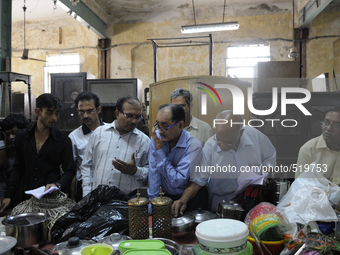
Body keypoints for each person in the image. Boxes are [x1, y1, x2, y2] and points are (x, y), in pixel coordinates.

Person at [172, 110, 276, 216]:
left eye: (228, 142)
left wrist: (263, 175)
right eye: (219, 140)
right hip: (221, 206)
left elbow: (270, 158)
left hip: (251, 202)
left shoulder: (256, 137)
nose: (222, 145)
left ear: (240, 133)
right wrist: (183, 200)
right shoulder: (210, 146)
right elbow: (198, 181)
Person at [0, 94, 75, 213]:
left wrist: (57, 184)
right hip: (24, 198)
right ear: (37, 111)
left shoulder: (63, 140)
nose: (54, 118)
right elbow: (18, 168)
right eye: (49, 112)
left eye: (57, 113)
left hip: (50, 200)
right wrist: (8, 195)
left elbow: (70, 171)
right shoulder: (22, 136)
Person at [81, 96, 150, 197]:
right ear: (117, 113)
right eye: (129, 116)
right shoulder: (99, 133)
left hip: (128, 202)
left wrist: (135, 171)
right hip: (98, 199)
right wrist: (87, 194)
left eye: (137, 117)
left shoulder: (144, 141)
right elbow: (87, 166)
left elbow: (151, 172)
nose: (134, 121)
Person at [148, 104, 208, 213]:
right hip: (166, 196)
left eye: (165, 126)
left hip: (189, 198)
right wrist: (153, 204)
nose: (160, 131)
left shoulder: (193, 146)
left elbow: (177, 180)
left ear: (180, 125)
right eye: (157, 125)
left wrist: (160, 151)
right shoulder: (157, 137)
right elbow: (154, 173)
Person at [68, 92, 107, 201]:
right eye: (81, 112)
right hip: (85, 184)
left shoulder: (110, 131)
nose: (85, 116)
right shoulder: (74, 137)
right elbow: (72, 169)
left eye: (89, 111)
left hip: (107, 182)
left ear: (98, 110)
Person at [295, 106, 340, 183]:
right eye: (326, 123)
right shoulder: (308, 149)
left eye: (336, 125)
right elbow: (301, 186)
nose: (328, 128)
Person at [0, 114, 30, 198]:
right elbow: (2, 182)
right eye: (7, 134)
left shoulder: (34, 151)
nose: (11, 137)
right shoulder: (6, 155)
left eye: (14, 133)